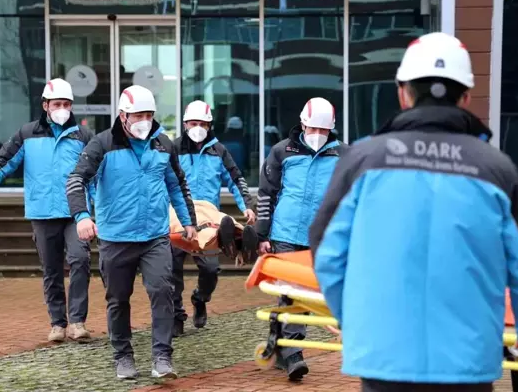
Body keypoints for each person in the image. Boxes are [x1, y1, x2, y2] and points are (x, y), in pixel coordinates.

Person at [310, 32, 518, 392]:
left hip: (383, 360)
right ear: (467, 97)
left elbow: (327, 250)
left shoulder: (362, 161)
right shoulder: (497, 169)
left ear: (402, 92)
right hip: (467, 365)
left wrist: (354, 318)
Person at [66, 84, 197, 381]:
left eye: (149, 114)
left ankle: (162, 356)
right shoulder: (102, 144)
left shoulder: (163, 144)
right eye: (138, 114)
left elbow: (177, 184)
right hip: (116, 239)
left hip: (154, 237)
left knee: (163, 290)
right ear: (123, 116)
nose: (144, 120)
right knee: (118, 299)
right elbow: (76, 180)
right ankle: (123, 356)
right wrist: (82, 215)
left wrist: (189, 221)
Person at [0, 78, 94, 343]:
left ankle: (77, 321)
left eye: (66, 104)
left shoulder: (83, 136)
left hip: (75, 212)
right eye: (57, 104)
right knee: (51, 269)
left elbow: (94, 175)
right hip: (42, 213)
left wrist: (96, 209)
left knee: (80, 260)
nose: (62, 108)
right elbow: (3, 160)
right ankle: (57, 324)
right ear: (45, 105)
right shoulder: (27, 134)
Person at [255, 97, 343, 381]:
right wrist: (262, 234)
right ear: (303, 123)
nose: (318, 134)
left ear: (331, 129)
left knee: (295, 291)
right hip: (285, 233)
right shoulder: (283, 151)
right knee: (294, 289)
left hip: (320, 236)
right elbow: (266, 194)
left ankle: (278, 338)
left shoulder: (342, 155)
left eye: (324, 130)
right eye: (313, 128)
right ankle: (294, 354)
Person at [171, 100, 257, 337]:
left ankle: (200, 299)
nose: (197, 127)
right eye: (193, 123)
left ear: (209, 125)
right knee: (171, 269)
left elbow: (235, 178)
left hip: (209, 220)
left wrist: (247, 206)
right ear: (185, 123)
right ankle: (176, 315)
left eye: (202, 123)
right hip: (179, 217)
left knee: (210, 268)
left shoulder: (219, 150)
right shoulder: (173, 149)